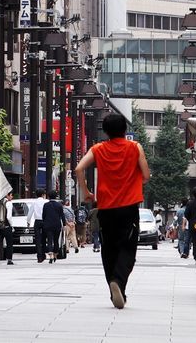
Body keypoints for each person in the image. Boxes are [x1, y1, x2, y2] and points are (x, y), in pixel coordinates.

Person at [75, 113, 150, 309]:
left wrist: (87, 193)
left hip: (106, 208)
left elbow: (78, 168)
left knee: (109, 250)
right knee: (127, 249)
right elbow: (146, 175)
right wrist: (137, 180)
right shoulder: (135, 147)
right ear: (125, 130)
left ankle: (115, 291)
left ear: (105, 131)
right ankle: (118, 281)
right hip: (129, 207)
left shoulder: (98, 149)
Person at [40, 190, 65, 263]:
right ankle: (55, 255)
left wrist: (44, 222)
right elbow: (62, 215)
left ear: (49, 196)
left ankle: (50, 255)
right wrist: (64, 224)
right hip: (57, 225)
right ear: (56, 196)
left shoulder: (46, 205)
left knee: (49, 240)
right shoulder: (59, 205)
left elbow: (43, 215)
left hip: (48, 225)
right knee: (56, 240)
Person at [179, 189, 196, 259]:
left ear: (193, 194)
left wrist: (190, 219)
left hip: (192, 224)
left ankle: (186, 253)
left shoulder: (190, 203)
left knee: (187, 240)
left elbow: (186, 214)